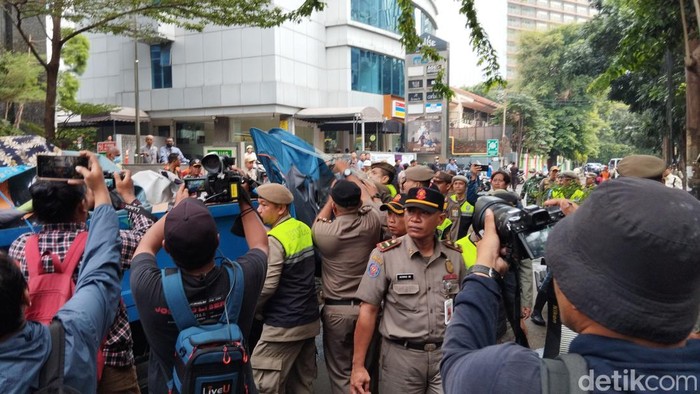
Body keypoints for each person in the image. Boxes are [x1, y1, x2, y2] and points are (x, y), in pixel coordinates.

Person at [441, 177, 700, 393]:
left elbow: (456, 361)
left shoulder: (512, 377)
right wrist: (596, 226)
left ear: (577, 294)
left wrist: (483, 272)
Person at [10, 166, 152, 393]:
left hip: (46, 360)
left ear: (36, 211)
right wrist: (128, 197)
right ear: (82, 206)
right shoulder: (104, 242)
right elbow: (148, 238)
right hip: (109, 363)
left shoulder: (20, 247)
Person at [0, 151, 122, 392]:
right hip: (105, 358)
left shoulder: (20, 245)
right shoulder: (75, 333)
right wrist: (103, 193)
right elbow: (103, 270)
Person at [130, 186, 269, 392]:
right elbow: (261, 244)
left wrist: (176, 211)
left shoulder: (149, 287)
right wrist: (244, 201)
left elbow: (145, 246)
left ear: (167, 247)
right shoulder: (244, 278)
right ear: (217, 241)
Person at [351, 187, 467, 394]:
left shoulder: (454, 257)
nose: (415, 219)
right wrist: (358, 366)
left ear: (440, 219)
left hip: (446, 355)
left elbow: (464, 308)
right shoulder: (384, 255)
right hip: (401, 359)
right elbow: (368, 310)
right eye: (410, 211)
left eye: (424, 213)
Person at [312, 176, 383, 394]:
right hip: (368, 309)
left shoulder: (324, 233)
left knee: (341, 372)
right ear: (359, 203)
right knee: (365, 369)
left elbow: (318, 220)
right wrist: (356, 180)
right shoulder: (372, 222)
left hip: (337, 311)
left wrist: (330, 198)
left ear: (334, 204)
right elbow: (371, 202)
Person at [251, 184, 319, 393]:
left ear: (281, 208)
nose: (259, 210)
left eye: (264, 205)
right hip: (308, 320)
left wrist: (250, 309)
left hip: (283, 325)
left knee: (263, 381)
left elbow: (269, 285)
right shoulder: (303, 228)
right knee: (300, 384)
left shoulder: (275, 238)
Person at [444, 168, 479, 242]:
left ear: (465, 186)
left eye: (461, 184)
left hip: (467, 240)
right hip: (451, 240)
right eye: (455, 184)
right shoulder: (449, 201)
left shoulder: (470, 201)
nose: (458, 186)